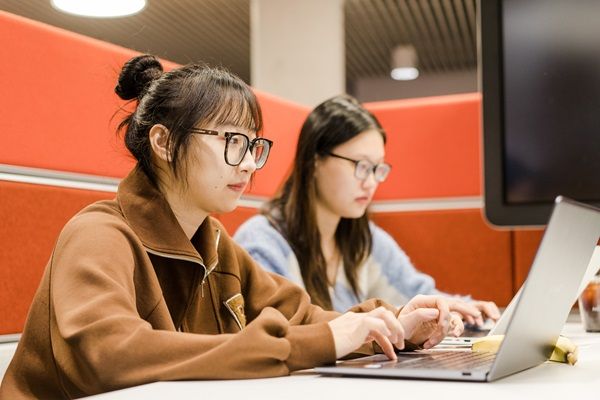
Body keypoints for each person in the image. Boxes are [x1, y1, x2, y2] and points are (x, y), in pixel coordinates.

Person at [0, 56, 476, 399]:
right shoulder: (99, 234)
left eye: (254, 146)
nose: (249, 164)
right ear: (164, 142)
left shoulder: (215, 244)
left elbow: (303, 319)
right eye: (232, 142)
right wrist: (323, 342)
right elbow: (112, 356)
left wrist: (388, 327)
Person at [234, 95, 501, 321]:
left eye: (377, 169)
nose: (371, 182)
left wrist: (462, 309)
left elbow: (415, 291)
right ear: (315, 161)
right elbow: (288, 330)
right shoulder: (263, 243)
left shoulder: (363, 238)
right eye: (361, 166)